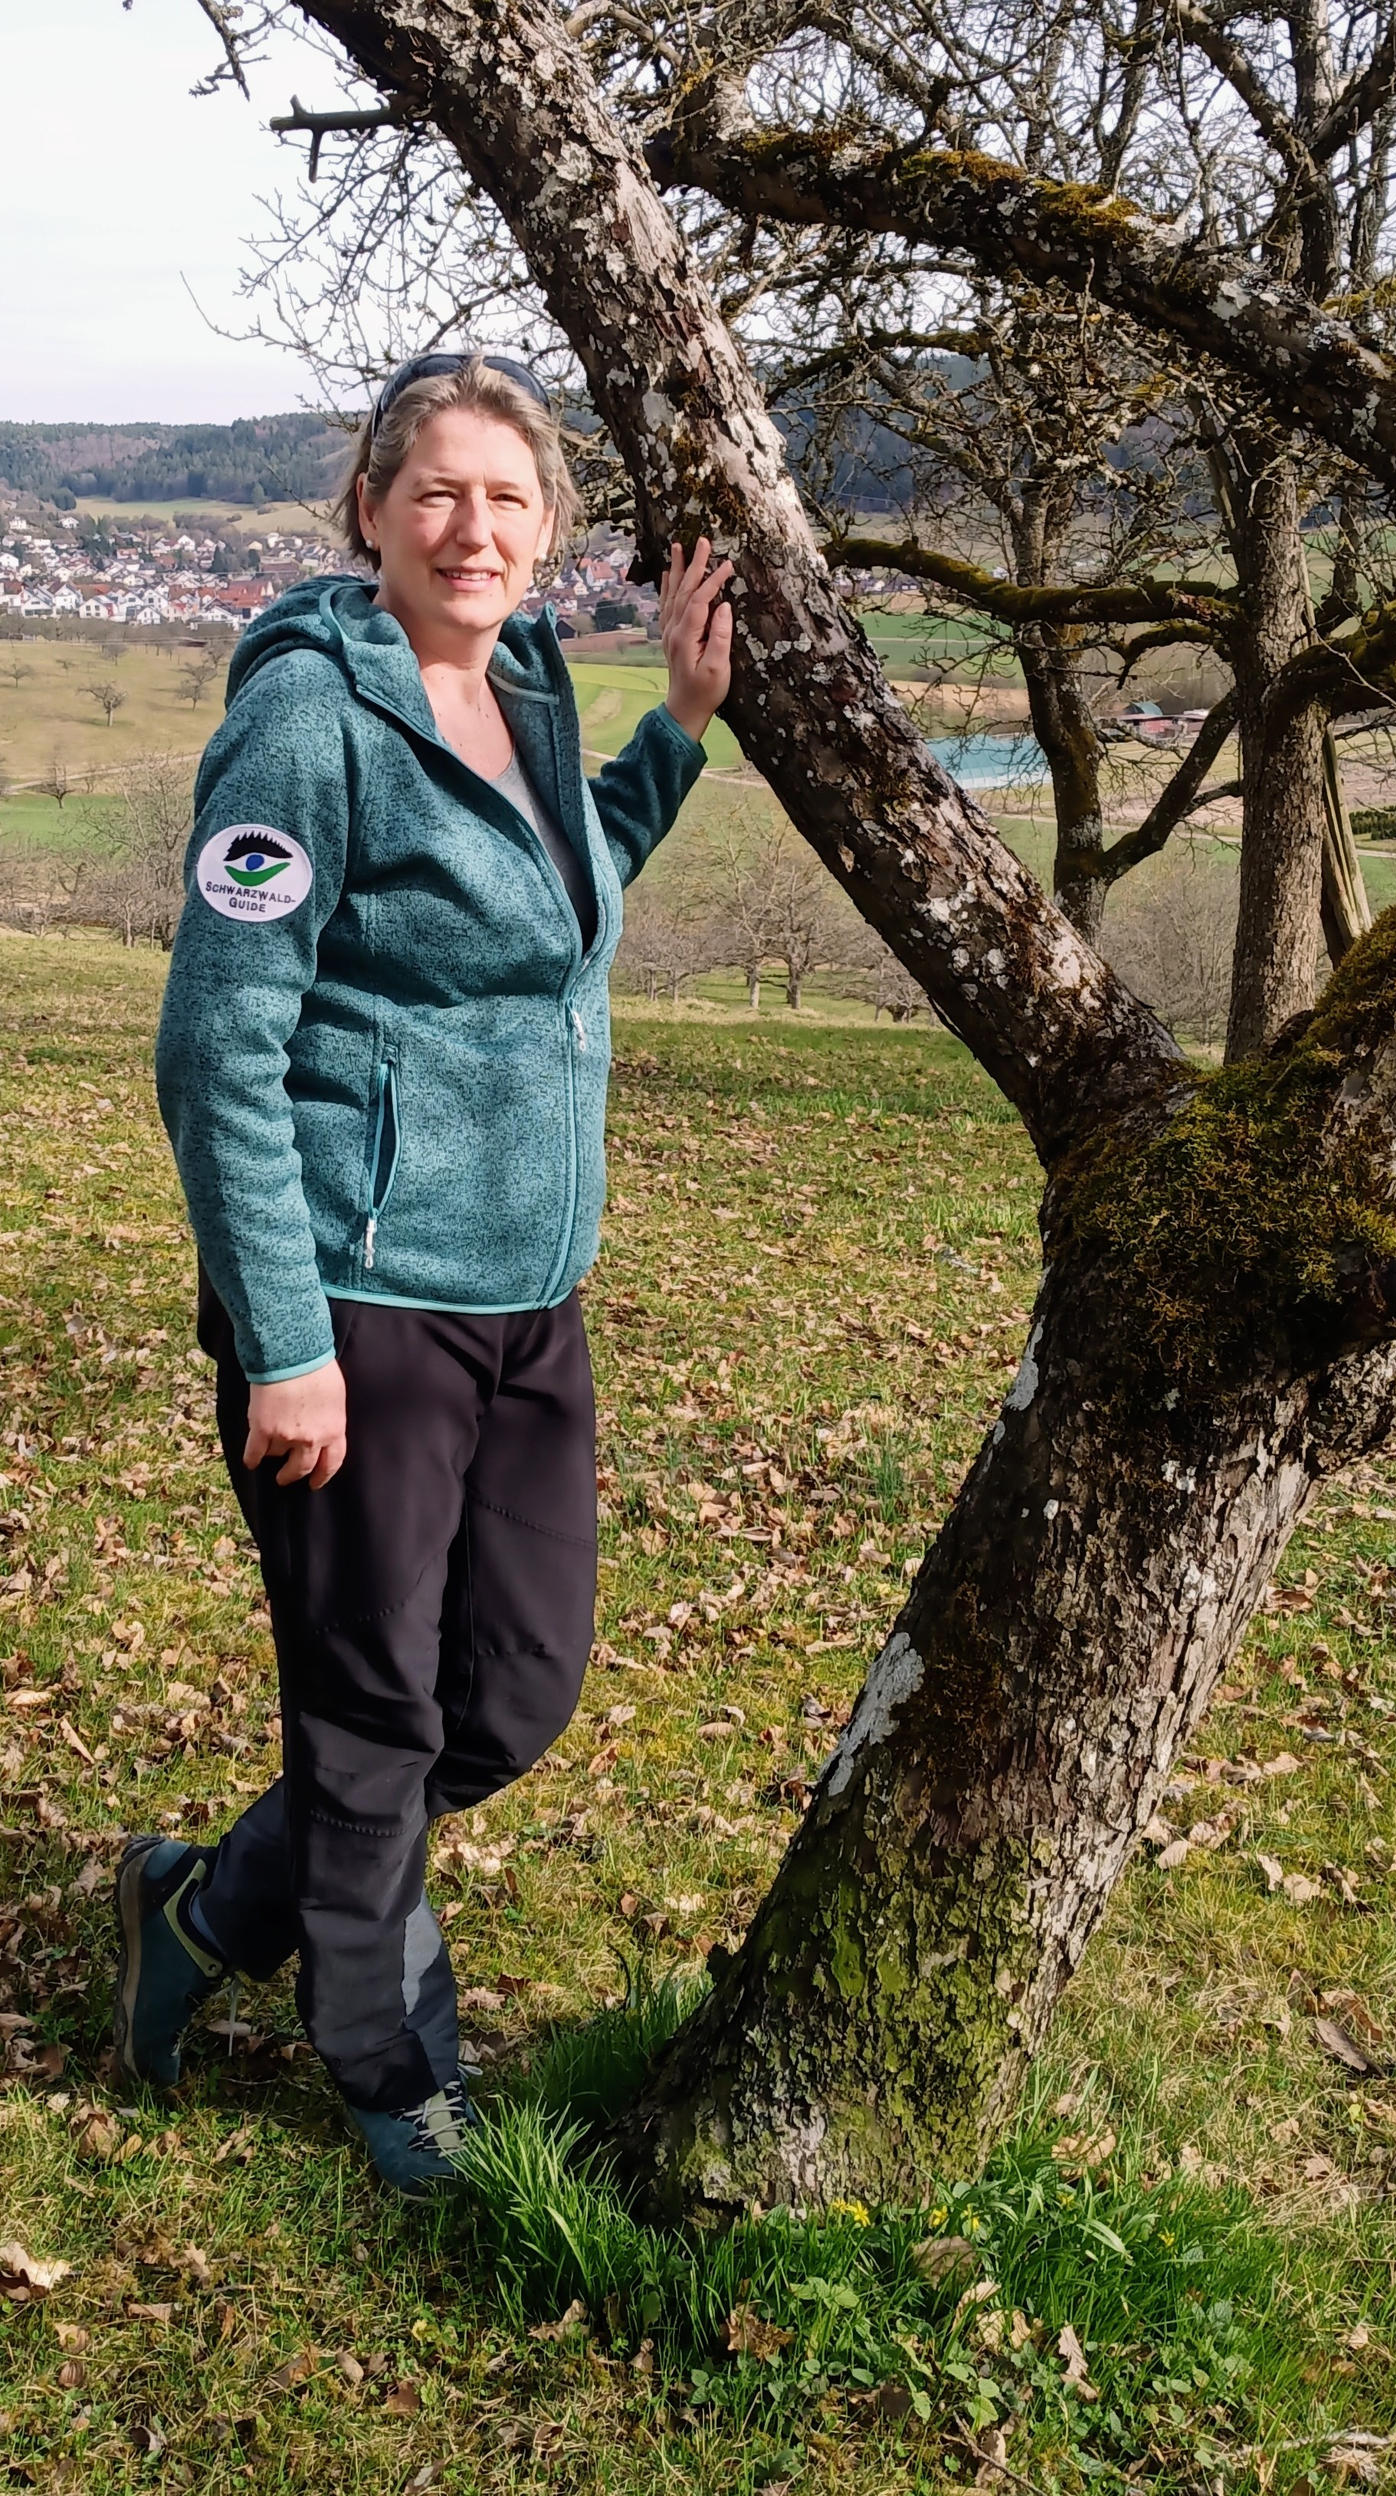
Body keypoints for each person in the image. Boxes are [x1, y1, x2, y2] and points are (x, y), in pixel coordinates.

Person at [114, 348, 733, 2194]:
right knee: (374, 1704)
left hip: (527, 1285)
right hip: (357, 1296)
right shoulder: (312, 719)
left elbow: (555, 906)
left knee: (514, 1690)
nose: (475, 527)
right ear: (369, 512)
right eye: (438, 491)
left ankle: (216, 1908)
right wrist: (283, 1342)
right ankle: (396, 2078)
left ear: (550, 536)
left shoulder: (525, 691)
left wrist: (677, 731)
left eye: (510, 498)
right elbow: (217, 1044)